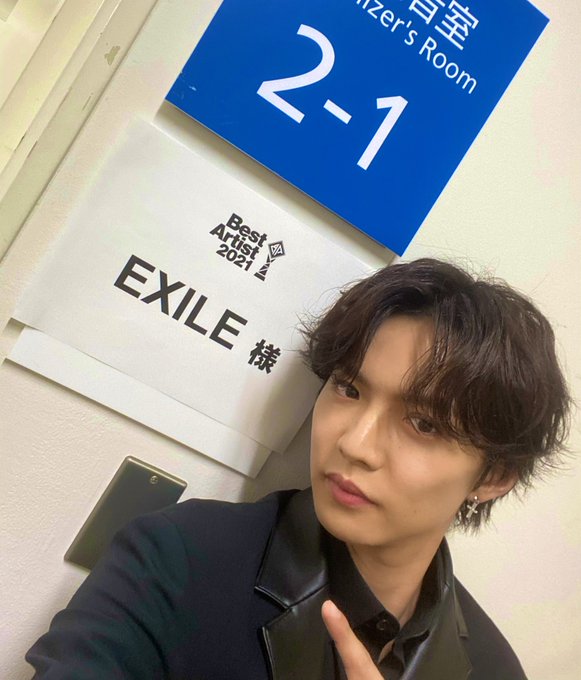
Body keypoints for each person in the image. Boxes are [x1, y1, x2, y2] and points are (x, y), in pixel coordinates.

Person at [26, 258, 570, 680]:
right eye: (348, 388)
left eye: (424, 424)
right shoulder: (177, 558)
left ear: (494, 476)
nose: (354, 443)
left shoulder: (495, 669)